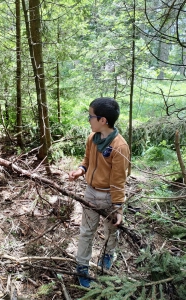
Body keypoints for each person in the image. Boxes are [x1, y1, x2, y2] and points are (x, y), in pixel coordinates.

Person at [69, 97, 130, 288]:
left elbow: (119, 179)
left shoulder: (119, 147)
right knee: (87, 231)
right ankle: (82, 266)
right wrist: (81, 170)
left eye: (91, 116)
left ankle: (108, 254)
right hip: (90, 193)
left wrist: (118, 207)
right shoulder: (92, 138)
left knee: (111, 230)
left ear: (103, 120)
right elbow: (87, 160)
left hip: (109, 196)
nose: (89, 119)